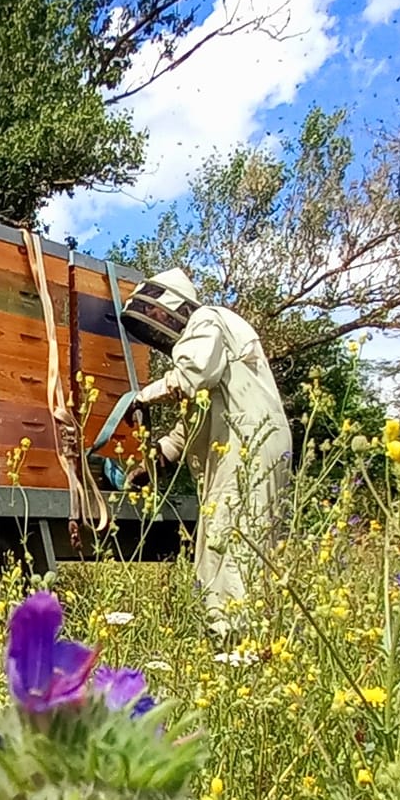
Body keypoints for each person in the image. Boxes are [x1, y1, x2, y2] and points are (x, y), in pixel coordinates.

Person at [118, 268, 292, 637]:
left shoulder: (208, 319)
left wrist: (143, 396)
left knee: (235, 540)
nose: (158, 325)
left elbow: (195, 374)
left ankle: (237, 640)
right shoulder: (207, 343)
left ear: (171, 305)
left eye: (159, 317)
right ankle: (233, 635)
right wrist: (160, 456)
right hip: (241, 449)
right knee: (221, 541)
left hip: (250, 448)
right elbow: (193, 421)